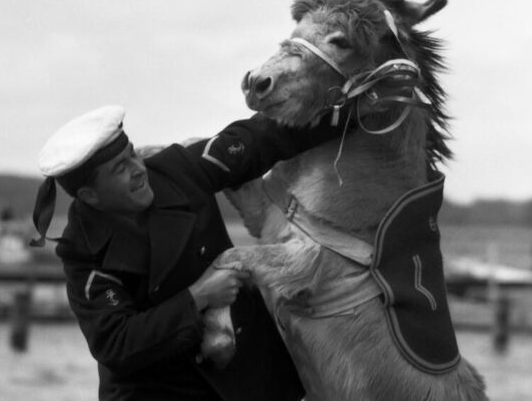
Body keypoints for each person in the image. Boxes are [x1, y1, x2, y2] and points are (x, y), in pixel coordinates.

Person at [30, 105, 354, 401]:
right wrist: (199, 295)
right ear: (90, 196)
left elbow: (258, 139)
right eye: (120, 169)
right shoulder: (82, 251)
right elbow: (117, 342)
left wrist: (348, 111)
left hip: (251, 378)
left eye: (132, 155)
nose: (138, 169)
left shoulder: (177, 171)